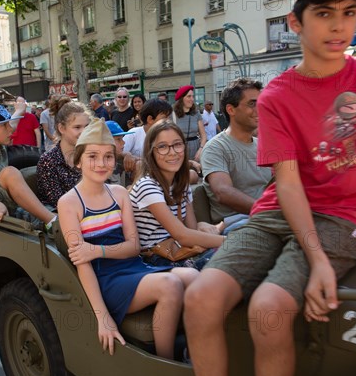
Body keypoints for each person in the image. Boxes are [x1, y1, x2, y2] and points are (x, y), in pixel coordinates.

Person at [184, 0, 356, 376]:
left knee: (268, 310)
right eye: (325, 12)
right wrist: (318, 259)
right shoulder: (278, 94)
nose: (339, 25)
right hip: (275, 212)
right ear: (295, 23)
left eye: (349, 12)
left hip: (337, 216)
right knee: (199, 299)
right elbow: (288, 182)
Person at [57, 118, 198, 359]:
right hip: (106, 280)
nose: (101, 163)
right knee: (170, 285)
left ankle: (194, 347)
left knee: (194, 276)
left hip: (133, 266)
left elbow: (134, 247)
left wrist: (98, 250)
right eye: (92, 156)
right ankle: (166, 364)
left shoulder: (120, 193)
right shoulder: (69, 203)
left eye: (108, 156)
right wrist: (103, 318)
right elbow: (83, 263)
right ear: (78, 161)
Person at [129, 121, 225, 270]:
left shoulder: (181, 183)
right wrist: (228, 242)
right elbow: (182, 235)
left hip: (182, 251)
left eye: (177, 144)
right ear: (151, 152)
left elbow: (191, 230)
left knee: (239, 230)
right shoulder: (147, 186)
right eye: (162, 147)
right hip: (157, 259)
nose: (172, 152)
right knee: (234, 252)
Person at [0, 101, 56, 227]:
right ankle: (51, 220)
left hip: (2, 197)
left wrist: (19, 111)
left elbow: (12, 124)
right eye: (4, 125)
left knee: (27, 173)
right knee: (10, 172)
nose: (10, 128)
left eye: (8, 123)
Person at [200, 78, 272, 234]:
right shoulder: (215, 147)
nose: (259, 109)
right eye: (252, 104)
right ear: (231, 110)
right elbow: (223, 192)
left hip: (269, 218)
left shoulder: (264, 145)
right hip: (241, 226)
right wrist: (267, 211)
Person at [37, 99, 90, 208]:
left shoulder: (90, 154)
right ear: (61, 128)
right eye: (77, 127)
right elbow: (59, 202)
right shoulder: (49, 161)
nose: (83, 131)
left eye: (86, 126)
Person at [173, 85, 206, 162]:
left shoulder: (196, 114)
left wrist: (200, 150)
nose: (192, 99)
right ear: (181, 99)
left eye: (192, 96)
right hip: (179, 149)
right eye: (189, 96)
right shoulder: (172, 115)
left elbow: (203, 135)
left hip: (196, 149)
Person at [105, 120, 133, 187]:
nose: (123, 142)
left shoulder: (118, 161)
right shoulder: (99, 168)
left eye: (122, 138)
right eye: (118, 139)